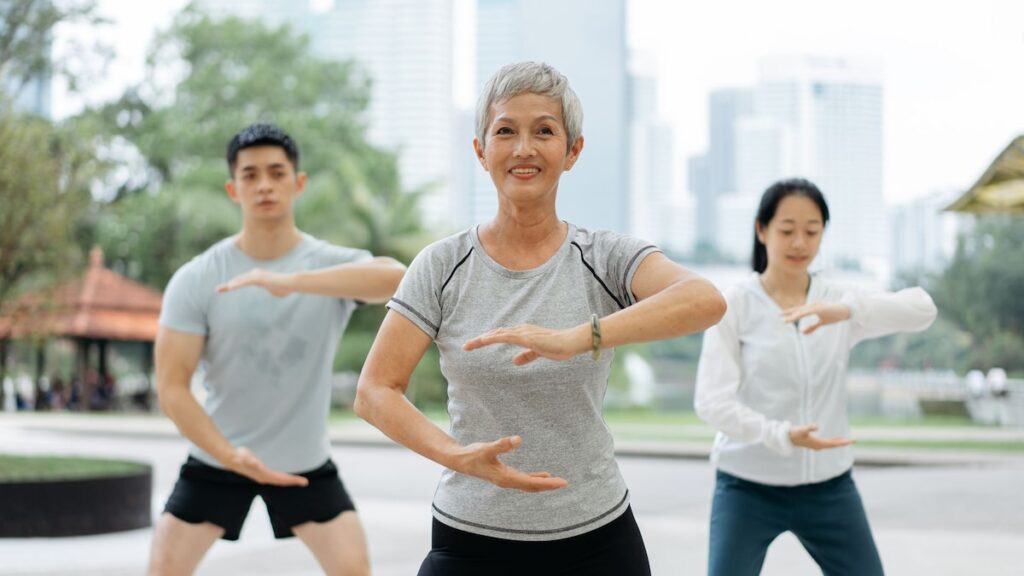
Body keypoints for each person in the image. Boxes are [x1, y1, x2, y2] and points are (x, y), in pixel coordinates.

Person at [354, 61, 727, 576]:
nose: (524, 148)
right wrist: (456, 456)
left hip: (596, 537)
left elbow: (705, 300)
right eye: (505, 131)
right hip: (472, 537)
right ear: (481, 150)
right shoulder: (442, 266)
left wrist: (580, 337)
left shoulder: (605, 257)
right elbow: (375, 390)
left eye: (544, 131)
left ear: (572, 150)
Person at [149, 123, 405, 576]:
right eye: (250, 175)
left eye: (276, 172)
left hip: (304, 462)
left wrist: (288, 281)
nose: (264, 184)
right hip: (218, 458)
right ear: (233, 189)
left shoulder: (329, 266)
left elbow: (397, 278)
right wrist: (230, 456)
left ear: (297, 183)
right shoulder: (197, 278)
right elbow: (171, 388)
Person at [694, 178, 938, 576]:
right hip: (747, 485)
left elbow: (923, 309)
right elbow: (711, 402)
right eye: (787, 230)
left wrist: (846, 311)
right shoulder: (734, 305)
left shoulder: (837, 299)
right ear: (762, 229)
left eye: (812, 231)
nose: (799, 243)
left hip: (829, 487)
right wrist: (781, 435)